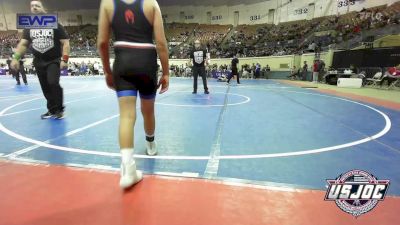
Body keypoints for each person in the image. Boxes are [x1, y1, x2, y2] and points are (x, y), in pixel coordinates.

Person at [97, 0, 169, 189]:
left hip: (123, 61)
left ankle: (128, 169)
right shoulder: (151, 3)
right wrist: (167, 72)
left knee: (127, 116)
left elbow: (102, 43)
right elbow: (161, 43)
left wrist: (107, 71)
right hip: (146, 62)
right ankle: (151, 145)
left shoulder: (107, 4)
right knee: (148, 111)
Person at [11, 0, 70, 119]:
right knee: (45, 87)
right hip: (38, 61)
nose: (35, 8)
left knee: (53, 82)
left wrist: (65, 60)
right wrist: (16, 58)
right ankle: (52, 110)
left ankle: (59, 109)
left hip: (53, 60)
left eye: (37, 5)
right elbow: (23, 44)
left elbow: (65, 43)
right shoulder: (29, 27)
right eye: (32, 6)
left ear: (43, 8)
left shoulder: (55, 24)